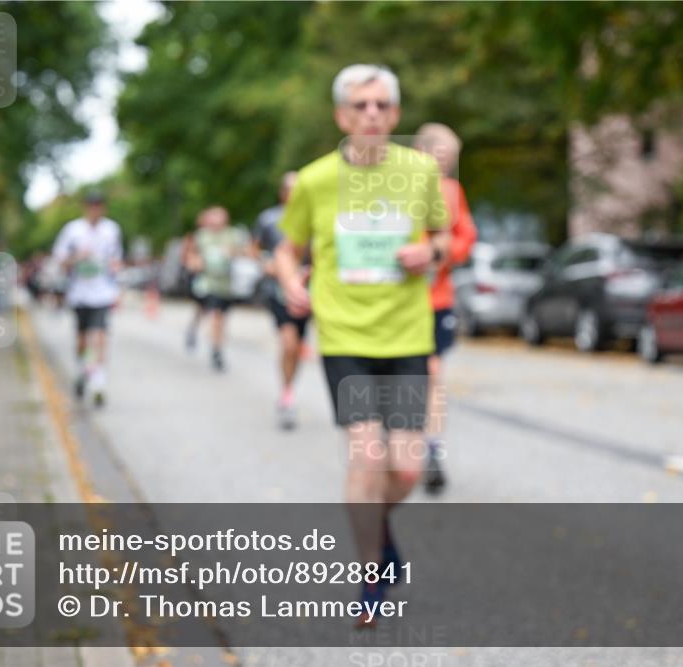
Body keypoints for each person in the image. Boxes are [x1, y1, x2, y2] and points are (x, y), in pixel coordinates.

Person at [275, 64, 450, 628]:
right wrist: (290, 281)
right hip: (345, 338)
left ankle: (377, 528)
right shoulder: (315, 180)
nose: (371, 114)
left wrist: (431, 253)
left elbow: (444, 236)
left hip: (407, 337)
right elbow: (287, 249)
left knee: (406, 468)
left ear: (395, 114)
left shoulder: (420, 172)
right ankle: (371, 575)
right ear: (341, 116)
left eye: (381, 105)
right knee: (367, 454)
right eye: (360, 105)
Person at [413, 123, 477, 493]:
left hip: (436, 300)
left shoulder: (452, 192)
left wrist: (442, 254)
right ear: (419, 151)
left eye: (451, 161)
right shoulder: (394, 187)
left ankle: (432, 449)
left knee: (433, 372)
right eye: (441, 158)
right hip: (396, 303)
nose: (445, 167)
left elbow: (466, 236)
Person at [51, 191, 123, 406]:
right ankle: (83, 372)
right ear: (85, 207)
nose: (95, 210)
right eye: (92, 206)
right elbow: (59, 259)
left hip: (102, 293)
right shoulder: (73, 230)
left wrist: (115, 272)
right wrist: (76, 257)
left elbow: (117, 259)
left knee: (99, 337)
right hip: (79, 293)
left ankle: (98, 383)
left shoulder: (111, 229)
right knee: (83, 342)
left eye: (99, 206)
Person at [252, 172, 311, 429]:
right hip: (278, 291)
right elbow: (254, 249)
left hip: (309, 289)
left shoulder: (315, 216)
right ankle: (287, 394)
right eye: (292, 190)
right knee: (288, 342)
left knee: (297, 347)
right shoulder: (269, 219)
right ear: (283, 193)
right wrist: (267, 264)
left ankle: (289, 387)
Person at [181, 205, 247, 372]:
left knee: (220, 317)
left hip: (226, 284)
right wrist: (195, 263)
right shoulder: (201, 236)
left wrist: (232, 253)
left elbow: (245, 251)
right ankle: (216, 350)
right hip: (206, 283)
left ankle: (211, 342)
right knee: (213, 314)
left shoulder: (232, 235)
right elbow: (189, 256)